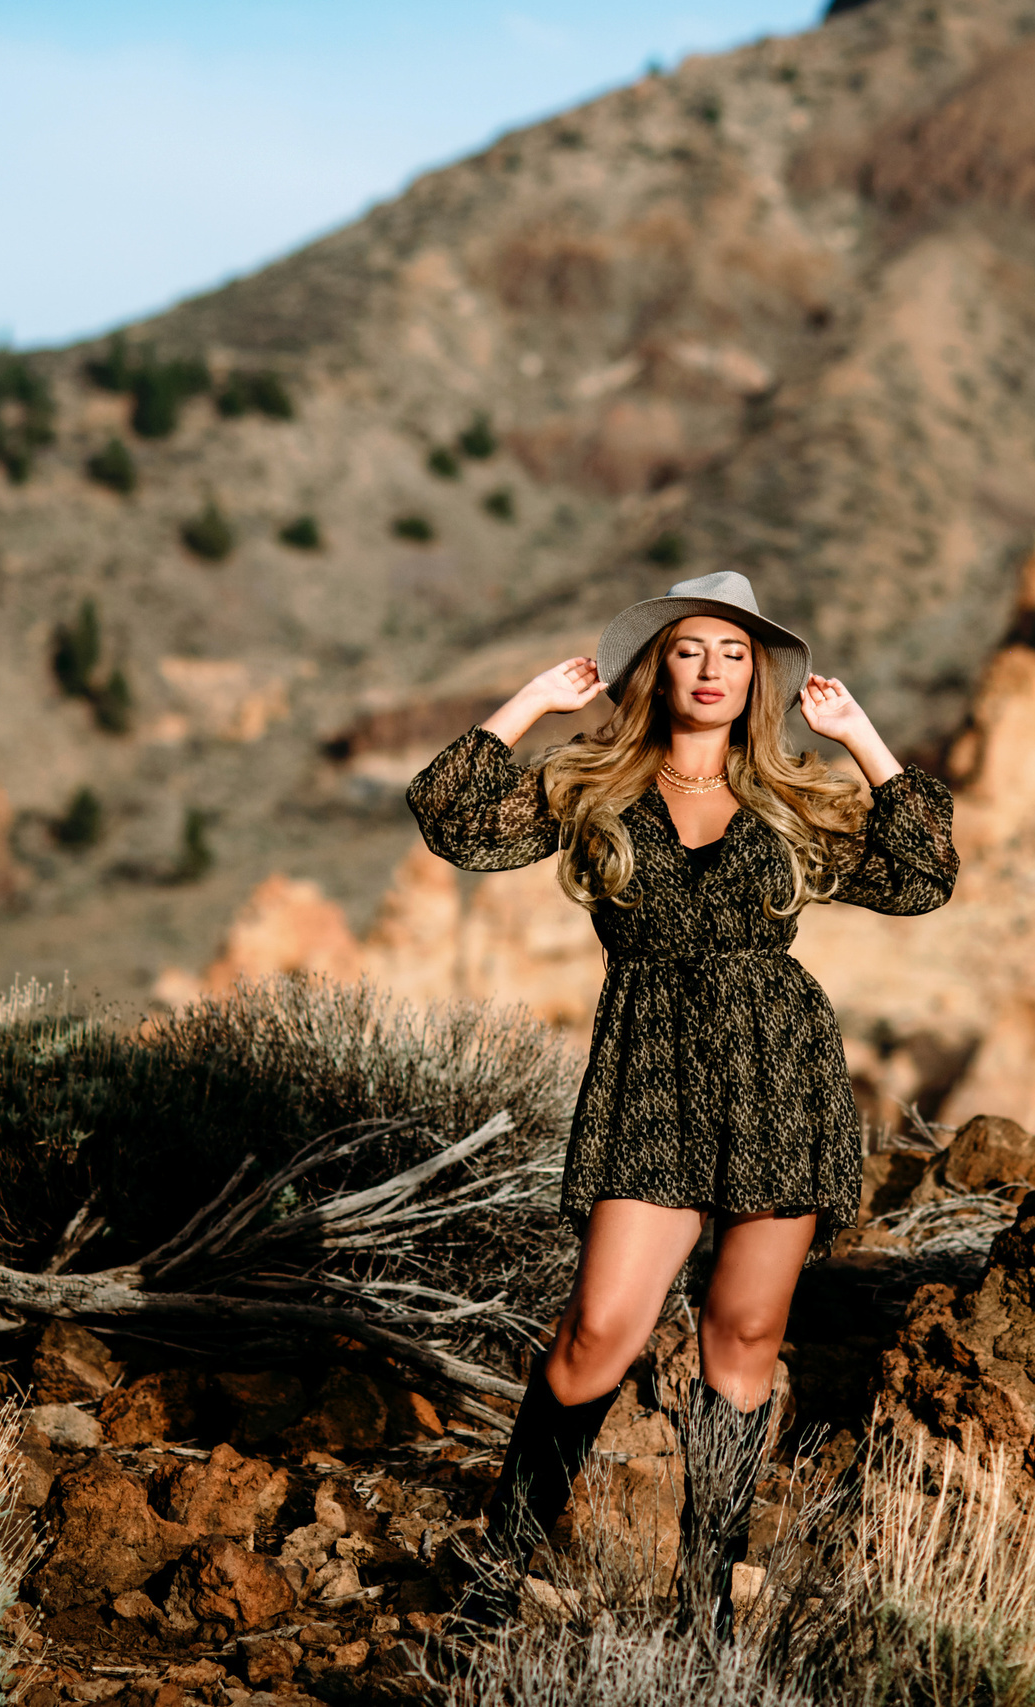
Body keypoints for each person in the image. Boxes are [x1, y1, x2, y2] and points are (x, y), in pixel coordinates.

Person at [404, 570, 958, 1643]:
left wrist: (864, 741)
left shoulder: (793, 796)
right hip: (648, 1070)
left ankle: (704, 1609)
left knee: (741, 1339)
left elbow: (922, 874)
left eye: (734, 654)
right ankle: (495, 1574)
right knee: (595, 1334)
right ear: (657, 669)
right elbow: (453, 821)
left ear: (757, 678)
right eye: (691, 650)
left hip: (776, 1070)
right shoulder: (592, 789)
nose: (711, 671)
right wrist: (526, 705)